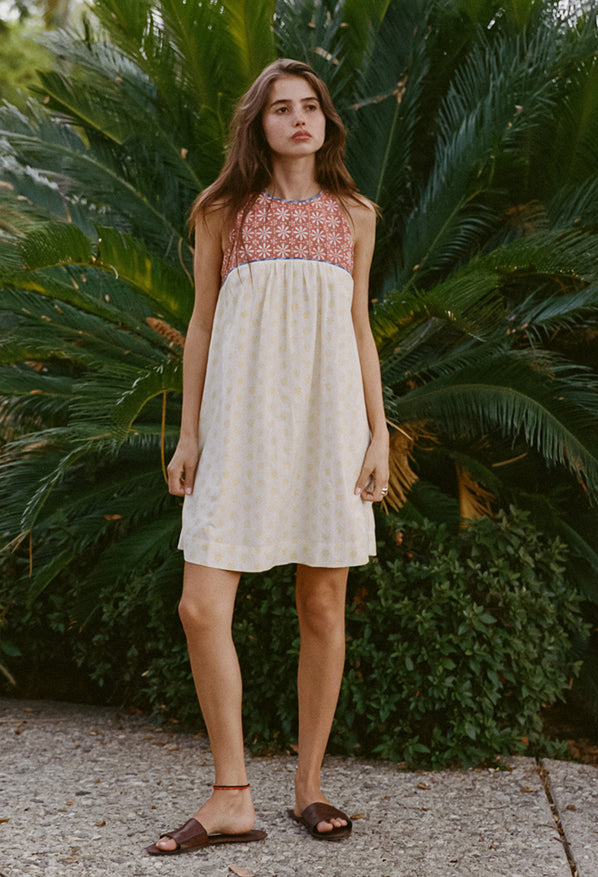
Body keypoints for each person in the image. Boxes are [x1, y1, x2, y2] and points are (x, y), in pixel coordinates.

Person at [146, 58, 389, 856]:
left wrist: (379, 432)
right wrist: (189, 433)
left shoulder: (356, 215)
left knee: (322, 606)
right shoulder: (223, 211)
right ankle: (231, 795)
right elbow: (202, 324)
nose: (298, 118)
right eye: (281, 108)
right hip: (238, 426)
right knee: (199, 606)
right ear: (259, 124)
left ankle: (309, 785)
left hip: (329, 426)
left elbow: (359, 328)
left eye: (309, 105)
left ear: (326, 120)